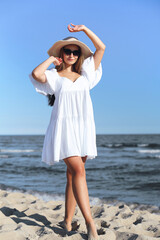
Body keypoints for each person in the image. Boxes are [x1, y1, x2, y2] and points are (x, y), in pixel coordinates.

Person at [29, 23, 105, 240]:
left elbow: (101, 48)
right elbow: (36, 73)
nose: (71, 54)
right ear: (61, 53)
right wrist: (51, 60)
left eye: (75, 51)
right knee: (79, 172)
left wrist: (85, 30)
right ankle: (90, 224)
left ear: (79, 55)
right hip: (63, 129)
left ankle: (67, 221)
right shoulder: (53, 77)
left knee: (73, 175)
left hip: (83, 128)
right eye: (67, 51)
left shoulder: (87, 73)